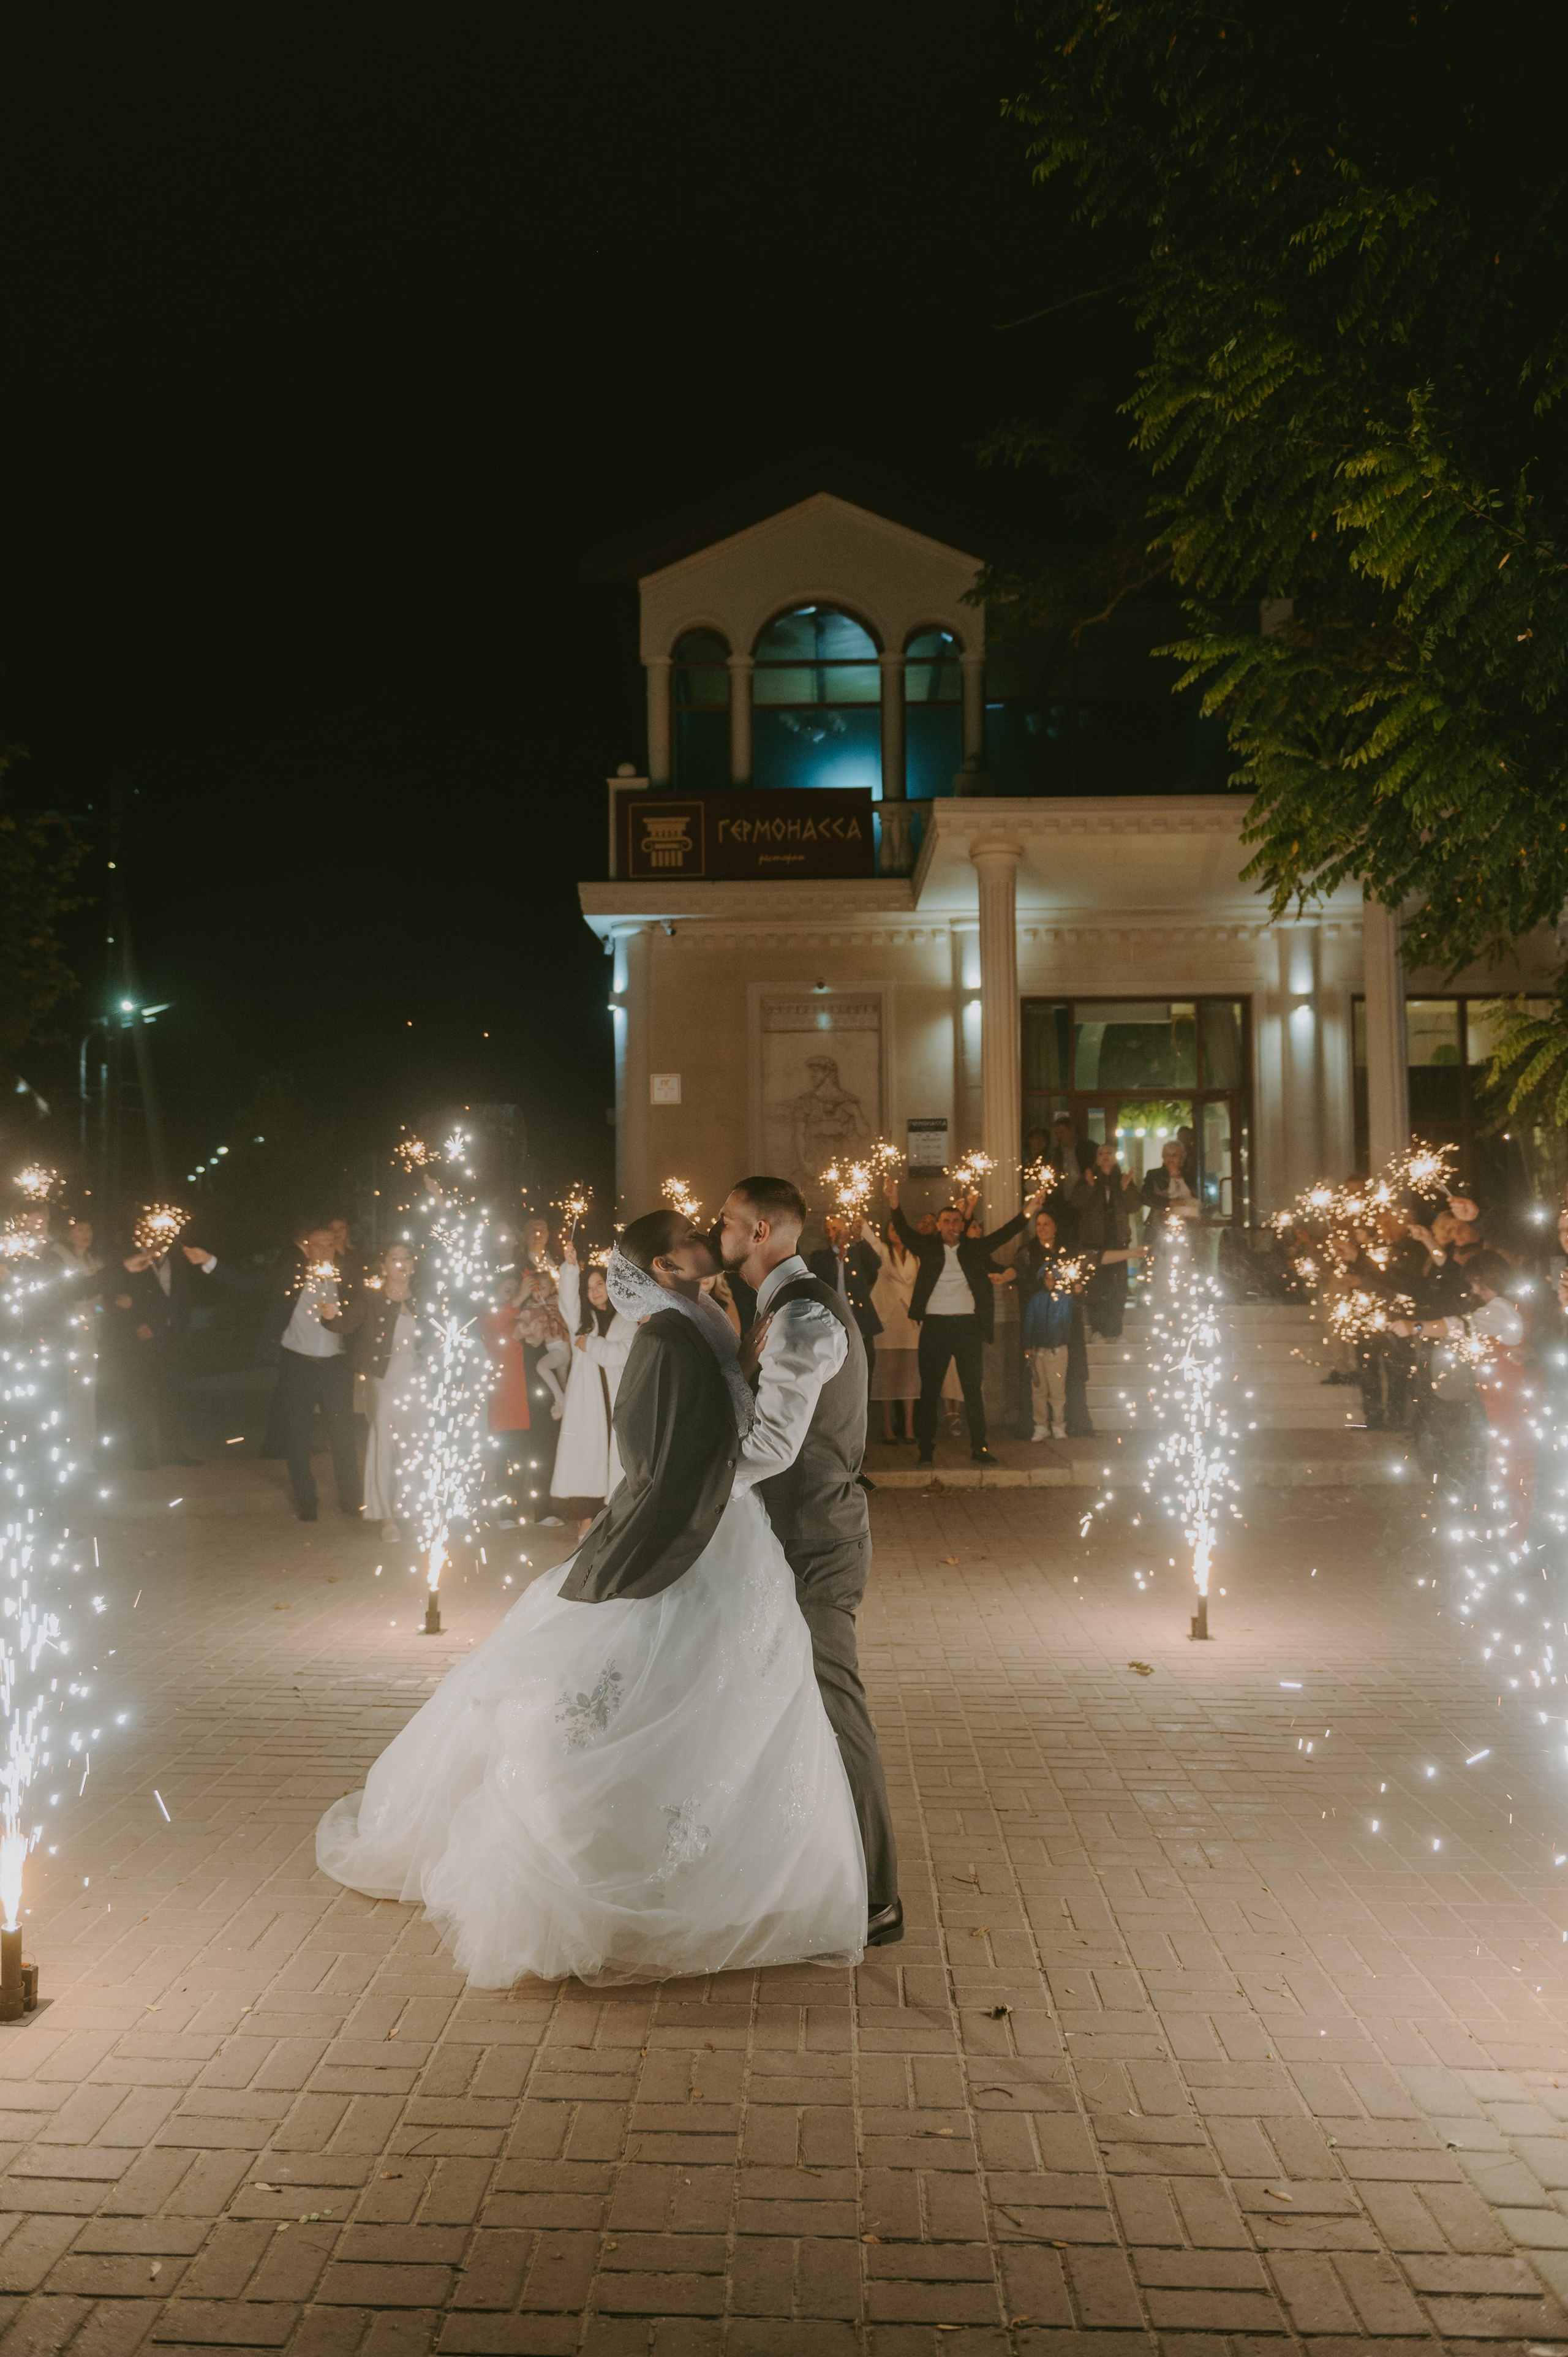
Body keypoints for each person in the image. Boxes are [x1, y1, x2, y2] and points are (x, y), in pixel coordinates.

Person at [317, 1202, 865, 1986]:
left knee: (723, 1691)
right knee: (660, 1680)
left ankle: (712, 1851)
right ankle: (616, 1857)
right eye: (687, 1236)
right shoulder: (669, 1336)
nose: (704, 1235)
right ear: (666, 1267)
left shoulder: (705, 1312)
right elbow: (658, 1446)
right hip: (700, 1527)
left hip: (728, 1530)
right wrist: (693, 1499)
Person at [717, 1173, 901, 1945]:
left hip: (817, 1539)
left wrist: (679, 1490)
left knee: (834, 1702)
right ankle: (802, 1866)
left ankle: (876, 1895)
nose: (716, 1230)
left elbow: (772, 1445)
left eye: (726, 1220)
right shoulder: (781, 1308)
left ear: (762, 1231)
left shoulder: (802, 1314)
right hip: (796, 1535)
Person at [884, 1173, 1046, 1466]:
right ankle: (925, 1447)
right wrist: (894, 1203)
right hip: (935, 1326)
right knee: (930, 1388)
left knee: (973, 1387)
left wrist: (1030, 1209)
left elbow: (1006, 1233)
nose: (951, 1227)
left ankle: (979, 1446)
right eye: (946, 1222)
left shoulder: (973, 1248)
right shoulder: (929, 1247)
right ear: (939, 1226)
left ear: (963, 1226)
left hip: (967, 1326)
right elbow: (905, 1232)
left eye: (956, 1222)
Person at [106, 1217, 226, 1469]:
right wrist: (135, 1322)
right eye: (153, 1232)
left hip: (171, 1336)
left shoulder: (176, 1259)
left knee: (171, 1396)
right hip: (142, 1339)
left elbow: (181, 1296)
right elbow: (118, 1298)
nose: (159, 1238)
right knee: (140, 1397)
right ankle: (144, 1456)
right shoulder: (129, 1261)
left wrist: (184, 1327)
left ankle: (172, 1451)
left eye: (163, 1233)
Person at [263, 1223, 363, 1522]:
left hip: (335, 1365)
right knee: (298, 1435)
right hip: (298, 1364)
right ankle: (307, 1502)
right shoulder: (291, 1278)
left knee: (343, 1435)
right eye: (317, 1246)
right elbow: (249, 1282)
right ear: (306, 1248)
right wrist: (209, 1263)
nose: (324, 1252)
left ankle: (352, 1501)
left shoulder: (346, 1280)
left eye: (330, 1246)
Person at [551, 1244, 636, 1533]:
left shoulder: (628, 1320)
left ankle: (612, 1538)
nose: (596, 1291)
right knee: (586, 1472)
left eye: (600, 1284)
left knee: (615, 1473)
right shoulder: (582, 1322)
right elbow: (566, 1300)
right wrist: (571, 1268)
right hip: (587, 1406)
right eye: (589, 1288)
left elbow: (624, 1353)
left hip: (616, 1402)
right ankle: (582, 1543)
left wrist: (592, 1346)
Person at [355, 1242, 424, 1541]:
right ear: (383, 1265)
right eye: (394, 1258)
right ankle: (386, 1516)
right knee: (384, 1442)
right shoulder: (371, 1298)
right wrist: (330, 1315)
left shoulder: (422, 1299)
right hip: (383, 1378)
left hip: (418, 1378)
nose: (401, 1264)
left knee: (417, 1448)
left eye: (406, 1258)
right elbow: (345, 1323)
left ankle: (415, 1509)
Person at [1016, 1207, 1091, 1441]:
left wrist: (1077, 1291)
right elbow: (1016, 1272)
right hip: (1039, 1336)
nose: (1041, 1229)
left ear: (1056, 1227)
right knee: (1039, 1387)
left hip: (1064, 1333)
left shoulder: (1068, 1252)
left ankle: (1065, 1423)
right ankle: (1039, 1425)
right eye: (1038, 1224)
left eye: (1046, 1224)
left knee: (1063, 1385)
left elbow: (1079, 1285)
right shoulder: (1028, 1252)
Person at [1071, 1146, 1144, 1341]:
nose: (1105, 1157)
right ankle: (1097, 1330)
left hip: (1118, 1240)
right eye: (1101, 1154)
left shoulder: (1121, 1178)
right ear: (1096, 1159)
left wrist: (1126, 1187)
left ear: (1115, 1158)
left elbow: (1134, 1206)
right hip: (1094, 1242)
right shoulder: (1089, 1178)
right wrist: (1089, 1185)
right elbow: (1076, 1203)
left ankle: (1115, 1330)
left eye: (1109, 1154)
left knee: (1119, 1288)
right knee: (1095, 1288)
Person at [807, 1213, 882, 1397]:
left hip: (860, 1324)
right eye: (828, 1231)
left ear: (845, 1230)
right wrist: (835, 1249)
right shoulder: (821, 1256)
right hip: (832, 1328)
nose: (832, 1233)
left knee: (865, 1373)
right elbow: (817, 1271)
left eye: (836, 1229)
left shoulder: (856, 1254)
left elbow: (875, 1264)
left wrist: (859, 1239)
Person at [861, 1215, 920, 1442]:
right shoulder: (883, 1251)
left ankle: (908, 1427)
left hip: (910, 1321)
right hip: (887, 1318)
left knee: (909, 1372)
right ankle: (887, 1427)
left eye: (899, 1228)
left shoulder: (916, 1256)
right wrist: (859, 1216)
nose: (896, 1231)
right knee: (887, 1371)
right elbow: (870, 1239)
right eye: (892, 1228)